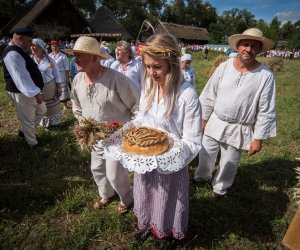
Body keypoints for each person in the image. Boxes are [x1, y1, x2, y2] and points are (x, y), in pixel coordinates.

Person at [132, 34, 202, 249]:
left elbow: (192, 141)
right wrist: (134, 136)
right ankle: (147, 225)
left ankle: (169, 233)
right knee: (145, 193)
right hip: (145, 158)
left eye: (157, 67)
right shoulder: (149, 85)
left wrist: (167, 156)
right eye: (148, 67)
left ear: (172, 63)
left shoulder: (187, 95)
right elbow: (142, 118)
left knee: (168, 198)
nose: (151, 73)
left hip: (171, 162)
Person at [194, 28, 276, 199]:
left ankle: (220, 189)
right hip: (215, 121)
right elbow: (209, 94)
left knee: (229, 162)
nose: (248, 49)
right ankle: (202, 178)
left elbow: (266, 109)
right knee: (206, 153)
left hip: (239, 127)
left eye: (254, 46)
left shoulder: (265, 75)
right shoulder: (224, 67)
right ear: (238, 47)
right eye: (245, 44)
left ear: (259, 50)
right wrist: (203, 118)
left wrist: (258, 138)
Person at [67, 36, 140, 213]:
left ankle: (127, 198)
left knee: (114, 175)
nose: (75, 60)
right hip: (93, 136)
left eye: (80, 55)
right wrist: (84, 126)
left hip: (117, 137)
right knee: (97, 168)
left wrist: (126, 131)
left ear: (94, 57)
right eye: (74, 55)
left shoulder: (117, 79)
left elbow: (137, 107)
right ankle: (106, 194)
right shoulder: (78, 80)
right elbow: (76, 104)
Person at [2, 27, 46, 148]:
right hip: (22, 92)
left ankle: (24, 131)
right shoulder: (12, 53)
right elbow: (21, 78)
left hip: (29, 91)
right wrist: (36, 93)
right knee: (28, 118)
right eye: (29, 41)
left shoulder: (18, 50)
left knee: (42, 110)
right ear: (19, 39)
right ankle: (32, 143)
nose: (31, 45)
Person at [31, 38, 63, 128]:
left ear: (41, 48)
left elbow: (57, 74)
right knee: (40, 106)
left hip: (50, 86)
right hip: (36, 88)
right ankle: (44, 124)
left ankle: (53, 124)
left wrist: (59, 87)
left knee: (51, 107)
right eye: (32, 46)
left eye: (35, 46)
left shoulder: (50, 60)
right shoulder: (30, 60)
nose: (33, 48)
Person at [49, 39, 71, 110]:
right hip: (52, 75)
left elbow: (67, 67)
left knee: (62, 90)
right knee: (54, 90)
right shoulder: (49, 56)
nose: (54, 47)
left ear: (58, 47)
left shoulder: (63, 56)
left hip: (61, 75)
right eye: (53, 46)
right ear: (51, 47)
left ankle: (65, 105)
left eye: (56, 46)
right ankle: (57, 105)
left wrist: (67, 77)